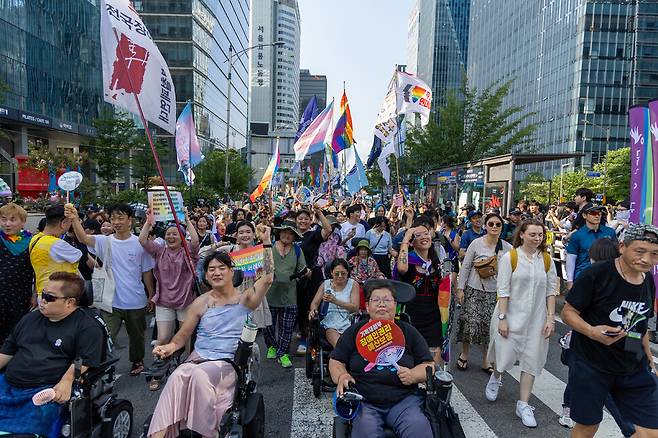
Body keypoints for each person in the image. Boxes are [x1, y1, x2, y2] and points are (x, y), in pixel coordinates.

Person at [147, 228, 274, 438]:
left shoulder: (245, 299)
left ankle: (208, 433)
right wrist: (169, 346)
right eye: (211, 269)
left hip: (227, 361)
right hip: (199, 358)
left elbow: (267, 278)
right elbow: (183, 334)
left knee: (198, 376)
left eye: (221, 268)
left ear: (232, 271)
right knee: (178, 375)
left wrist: (267, 242)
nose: (216, 272)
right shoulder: (200, 302)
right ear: (205, 275)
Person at [561, 224, 658, 438]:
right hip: (591, 363)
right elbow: (568, 313)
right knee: (587, 427)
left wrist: (649, 359)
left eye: (654, 255)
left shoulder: (647, 279)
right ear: (622, 247)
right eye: (639, 251)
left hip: (632, 365)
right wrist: (592, 331)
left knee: (650, 432)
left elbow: (639, 325)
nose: (646, 260)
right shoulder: (597, 273)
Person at [0, 272, 104, 437]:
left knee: (26, 432)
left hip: (44, 390)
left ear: (70, 302)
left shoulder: (87, 327)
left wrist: (67, 380)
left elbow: (84, 359)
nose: (42, 300)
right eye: (42, 294)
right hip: (8, 384)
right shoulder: (30, 319)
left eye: (49, 297)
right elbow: (7, 351)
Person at [329, 279, 434, 438]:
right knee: (366, 431)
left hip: (404, 400)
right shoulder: (354, 332)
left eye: (387, 300)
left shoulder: (409, 332)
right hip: (365, 400)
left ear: (395, 305)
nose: (381, 304)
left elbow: (429, 364)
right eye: (376, 300)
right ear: (367, 306)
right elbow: (336, 361)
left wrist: (413, 375)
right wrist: (342, 375)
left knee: (419, 429)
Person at [65, 203, 155, 376]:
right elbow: (83, 238)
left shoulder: (140, 243)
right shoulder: (104, 240)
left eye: (121, 218)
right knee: (107, 335)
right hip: (109, 300)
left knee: (137, 336)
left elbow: (147, 272)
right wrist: (74, 218)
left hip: (135, 300)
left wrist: (151, 294)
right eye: (113, 218)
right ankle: (104, 364)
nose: (116, 222)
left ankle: (137, 360)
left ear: (130, 220)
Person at [485, 219, 558, 427]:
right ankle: (496, 377)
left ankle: (523, 404)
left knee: (532, 360)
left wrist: (550, 318)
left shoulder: (546, 260)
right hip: (510, 316)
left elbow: (551, 290)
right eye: (533, 234)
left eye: (540, 235)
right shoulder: (511, 257)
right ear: (522, 235)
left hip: (537, 319)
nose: (537, 238)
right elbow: (503, 289)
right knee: (503, 355)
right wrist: (503, 318)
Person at [139, 209, 199, 389]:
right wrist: (149, 222)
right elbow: (142, 240)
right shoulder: (159, 251)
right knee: (163, 337)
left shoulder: (189, 253)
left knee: (186, 337)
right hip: (164, 301)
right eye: (168, 234)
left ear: (182, 237)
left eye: (175, 234)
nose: (171, 236)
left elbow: (195, 241)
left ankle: (187, 370)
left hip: (186, 301)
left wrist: (187, 220)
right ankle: (157, 373)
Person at [455, 212, 512, 372]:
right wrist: (460, 288)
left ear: (502, 227)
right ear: (485, 226)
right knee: (469, 322)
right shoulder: (476, 243)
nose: (494, 227)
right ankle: (464, 354)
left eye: (498, 224)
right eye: (491, 224)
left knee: (490, 327)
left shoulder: (508, 248)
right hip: (474, 289)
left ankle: (486, 359)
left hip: (496, 293)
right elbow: (465, 266)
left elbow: (516, 269)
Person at [397, 220, 446, 363]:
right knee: (412, 356)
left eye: (426, 233)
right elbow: (401, 268)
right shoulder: (408, 261)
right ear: (412, 242)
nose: (424, 237)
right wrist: (406, 239)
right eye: (418, 235)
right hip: (411, 315)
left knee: (434, 358)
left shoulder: (437, 261)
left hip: (433, 316)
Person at [265, 220, 307, 368]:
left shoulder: (297, 250)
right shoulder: (268, 246)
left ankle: (283, 353)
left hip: (290, 295)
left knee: (287, 327)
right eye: (284, 232)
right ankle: (271, 346)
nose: (287, 235)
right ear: (279, 232)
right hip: (269, 294)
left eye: (291, 234)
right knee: (268, 326)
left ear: (294, 237)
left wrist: (304, 274)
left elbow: (302, 268)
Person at [295, 206, 332, 355]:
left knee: (310, 307)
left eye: (306, 218)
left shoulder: (312, 235)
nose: (303, 221)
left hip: (311, 276)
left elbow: (328, 229)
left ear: (310, 220)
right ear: (296, 220)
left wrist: (319, 212)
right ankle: (303, 331)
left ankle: (306, 339)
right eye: (300, 218)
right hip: (294, 277)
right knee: (297, 308)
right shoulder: (290, 234)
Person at [29, 204, 82, 299]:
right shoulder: (58, 244)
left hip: (43, 292)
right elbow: (79, 254)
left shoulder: (35, 238)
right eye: (70, 222)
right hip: (58, 295)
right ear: (63, 223)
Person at [0, 203, 33, 345]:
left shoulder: (32, 241)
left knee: (17, 332)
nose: (7, 224)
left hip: (21, 295)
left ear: (23, 221)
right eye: (3, 219)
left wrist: (35, 293)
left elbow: (37, 270)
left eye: (12, 219)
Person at [308, 258, 359, 347]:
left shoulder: (353, 284)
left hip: (348, 319)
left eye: (343, 273)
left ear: (347, 272)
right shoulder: (325, 284)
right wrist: (313, 310)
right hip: (330, 320)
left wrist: (335, 301)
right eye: (336, 274)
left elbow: (355, 307)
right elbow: (314, 303)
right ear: (331, 272)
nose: (340, 276)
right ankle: (341, 356)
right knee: (339, 344)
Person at [566, 204, 616, 291]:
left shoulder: (610, 232)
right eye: (593, 213)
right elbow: (571, 258)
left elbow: (616, 255)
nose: (597, 215)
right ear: (584, 215)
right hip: (583, 277)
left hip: (606, 277)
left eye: (599, 213)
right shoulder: (577, 235)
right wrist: (570, 281)